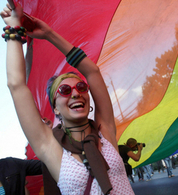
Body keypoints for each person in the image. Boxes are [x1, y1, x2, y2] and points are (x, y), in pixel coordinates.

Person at [1, 3, 134, 195]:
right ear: (55, 108)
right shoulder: (50, 147)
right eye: (64, 90)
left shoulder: (105, 132)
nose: (75, 93)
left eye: (81, 87)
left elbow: (93, 72)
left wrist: (49, 34)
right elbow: (16, 86)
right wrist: (14, 27)